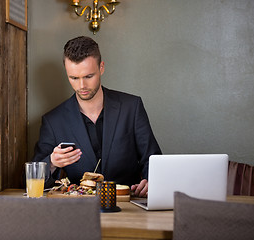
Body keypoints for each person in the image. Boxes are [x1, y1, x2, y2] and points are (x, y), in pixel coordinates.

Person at [32, 36, 162, 197]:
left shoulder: (132, 107)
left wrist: (152, 181)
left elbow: (153, 159)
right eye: (74, 78)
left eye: (88, 76)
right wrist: (52, 163)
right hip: (80, 209)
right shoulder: (53, 121)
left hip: (129, 203)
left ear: (101, 68)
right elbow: (32, 177)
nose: (82, 86)